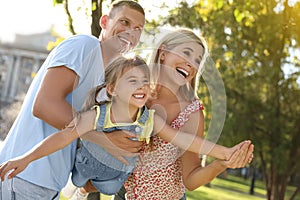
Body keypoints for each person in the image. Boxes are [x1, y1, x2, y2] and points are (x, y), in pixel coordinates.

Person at [0, 56, 246, 198]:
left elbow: (186, 141)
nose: (141, 86)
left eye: (144, 81)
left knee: (120, 175)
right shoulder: (98, 114)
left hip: (116, 180)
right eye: (132, 81)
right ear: (112, 89)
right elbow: (62, 138)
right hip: (86, 168)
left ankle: (90, 187)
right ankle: (83, 186)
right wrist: (26, 158)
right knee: (87, 150)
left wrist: (224, 153)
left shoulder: (151, 118)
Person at [0, 1, 146, 199]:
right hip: (26, 176)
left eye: (138, 29)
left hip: (48, 183)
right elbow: (45, 105)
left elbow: (79, 132)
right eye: (124, 22)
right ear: (104, 22)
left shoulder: (106, 77)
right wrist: (104, 140)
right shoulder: (84, 45)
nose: (131, 32)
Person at [112, 28, 254, 200]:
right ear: (163, 52)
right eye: (187, 53)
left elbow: (191, 180)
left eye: (197, 60)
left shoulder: (191, 113)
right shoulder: (137, 94)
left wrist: (222, 163)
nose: (191, 64)